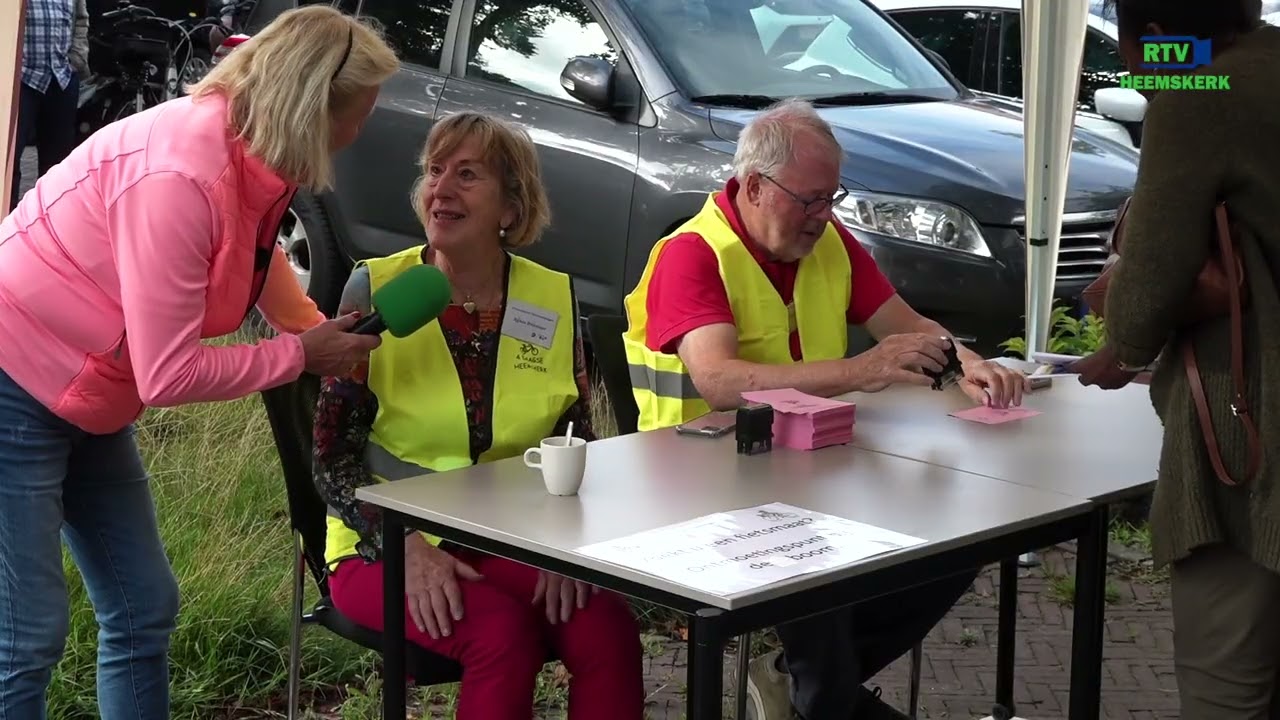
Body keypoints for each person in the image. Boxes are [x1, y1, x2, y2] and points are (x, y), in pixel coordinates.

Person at [0, 6, 397, 717]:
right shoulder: (180, 175)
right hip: (15, 381)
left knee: (143, 606)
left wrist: (318, 339)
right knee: (25, 636)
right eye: (358, 115)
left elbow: (251, 251)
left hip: (92, 389)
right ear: (310, 105)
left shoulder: (249, 149)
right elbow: (169, 375)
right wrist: (298, 355)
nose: (360, 132)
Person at [622, 99, 1028, 720]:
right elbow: (720, 381)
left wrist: (968, 364)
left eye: (831, 198)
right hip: (703, 491)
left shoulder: (829, 241)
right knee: (824, 569)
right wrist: (862, 371)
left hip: (809, 472)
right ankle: (820, 693)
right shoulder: (693, 253)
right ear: (755, 187)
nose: (822, 216)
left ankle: (805, 683)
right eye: (809, 199)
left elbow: (906, 324)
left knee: (959, 537)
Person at [313, 111, 645, 720]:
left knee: (606, 628)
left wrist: (562, 546)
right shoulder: (378, 291)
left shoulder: (551, 294)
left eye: (467, 175)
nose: (441, 189)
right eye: (434, 172)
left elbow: (575, 437)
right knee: (501, 637)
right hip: (383, 542)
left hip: (513, 537)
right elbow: (332, 459)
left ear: (511, 208)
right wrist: (402, 543)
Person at [1074, 2, 1280, 717]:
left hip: (1252, 425)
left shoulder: (1200, 94)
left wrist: (1119, 349)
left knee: (1227, 681)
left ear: (1160, 38)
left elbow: (1151, 274)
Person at [10, 0, 89, 211]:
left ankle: (50, 227)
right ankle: (6, 228)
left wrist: (77, 58)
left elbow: (81, 20)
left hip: (60, 78)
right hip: (18, 79)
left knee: (57, 166)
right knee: (8, 164)